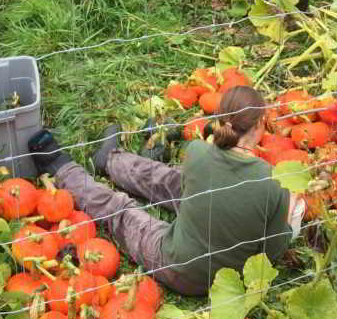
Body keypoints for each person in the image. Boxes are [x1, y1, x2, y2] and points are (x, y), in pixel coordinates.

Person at [27, 86, 304, 296]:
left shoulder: (197, 152)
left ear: (219, 120)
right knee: (174, 181)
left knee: (123, 211)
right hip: (224, 280)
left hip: (177, 266)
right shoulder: (274, 183)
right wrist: (290, 221)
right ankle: (109, 159)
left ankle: (63, 168)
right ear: (260, 125)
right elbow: (272, 250)